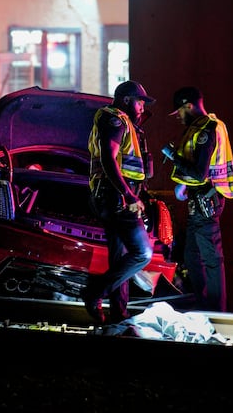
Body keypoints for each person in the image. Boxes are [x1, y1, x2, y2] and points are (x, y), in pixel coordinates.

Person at [81, 80, 156, 324]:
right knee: (142, 253)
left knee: (120, 256)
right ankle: (94, 293)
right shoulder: (113, 118)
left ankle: (118, 314)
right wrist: (128, 193)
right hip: (116, 196)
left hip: (114, 195)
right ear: (126, 100)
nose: (142, 108)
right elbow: (108, 157)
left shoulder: (129, 125)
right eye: (140, 102)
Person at [161, 86, 233, 312]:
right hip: (200, 200)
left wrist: (172, 155)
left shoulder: (207, 130)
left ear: (188, 106)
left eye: (179, 113)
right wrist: (183, 185)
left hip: (207, 202)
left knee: (211, 259)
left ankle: (216, 312)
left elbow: (199, 173)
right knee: (192, 256)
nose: (178, 118)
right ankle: (204, 306)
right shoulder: (204, 127)